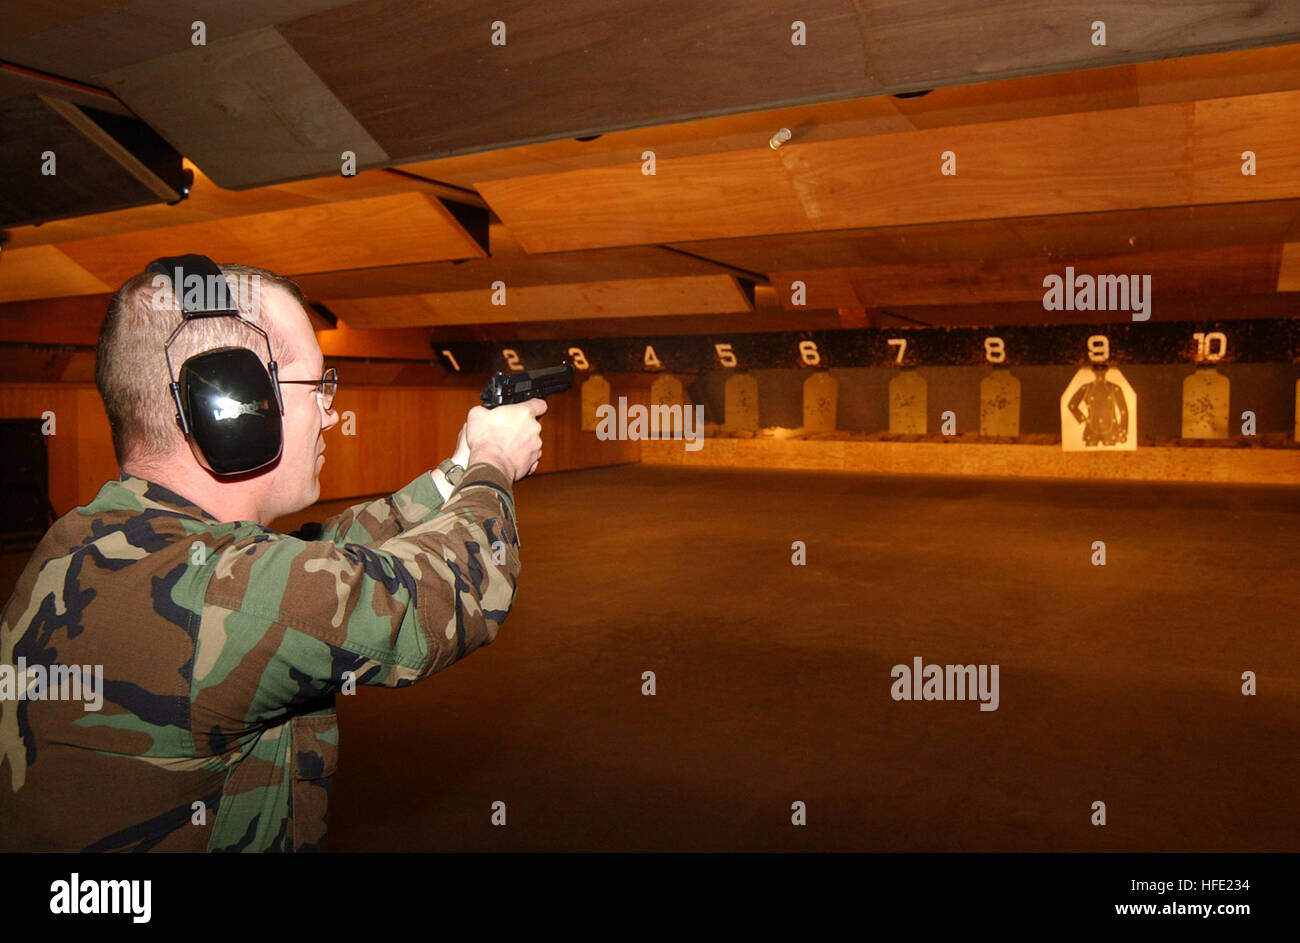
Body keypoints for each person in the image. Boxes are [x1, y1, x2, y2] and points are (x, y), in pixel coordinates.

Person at [0, 259, 546, 852]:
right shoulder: (221, 593)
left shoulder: (88, 540)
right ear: (234, 408)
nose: (331, 412)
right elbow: (443, 590)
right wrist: (495, 465)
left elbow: (310, 561)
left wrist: (456, 471)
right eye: (318, 386)